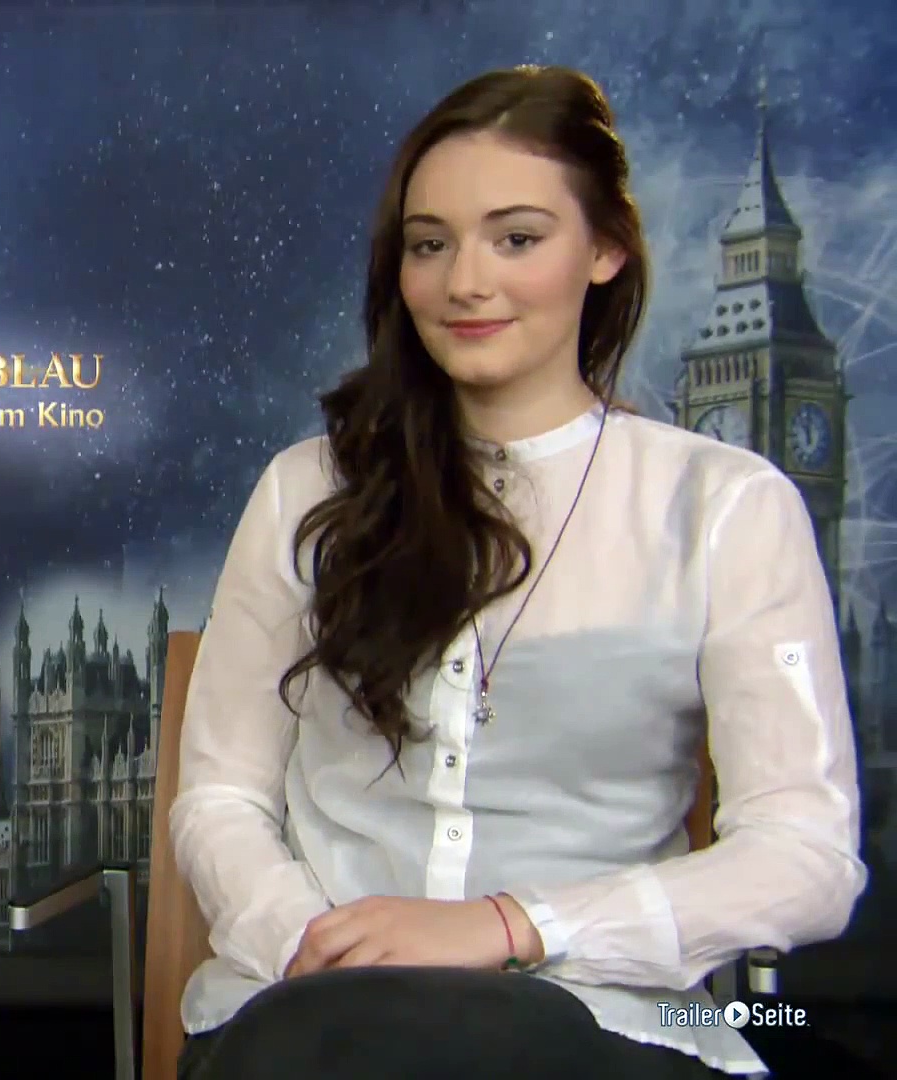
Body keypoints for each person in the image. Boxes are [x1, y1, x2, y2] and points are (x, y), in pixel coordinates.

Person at [169, 65, 866, 1079]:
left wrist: (513, 925)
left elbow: (805, 859)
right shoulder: (305, 491)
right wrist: (312, 946)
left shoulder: (726, 505)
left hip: (608, 1023)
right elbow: (220, 799)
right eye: (430, 245)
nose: (466, 283)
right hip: (309, 1017)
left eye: (517, 239)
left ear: (606, 250)